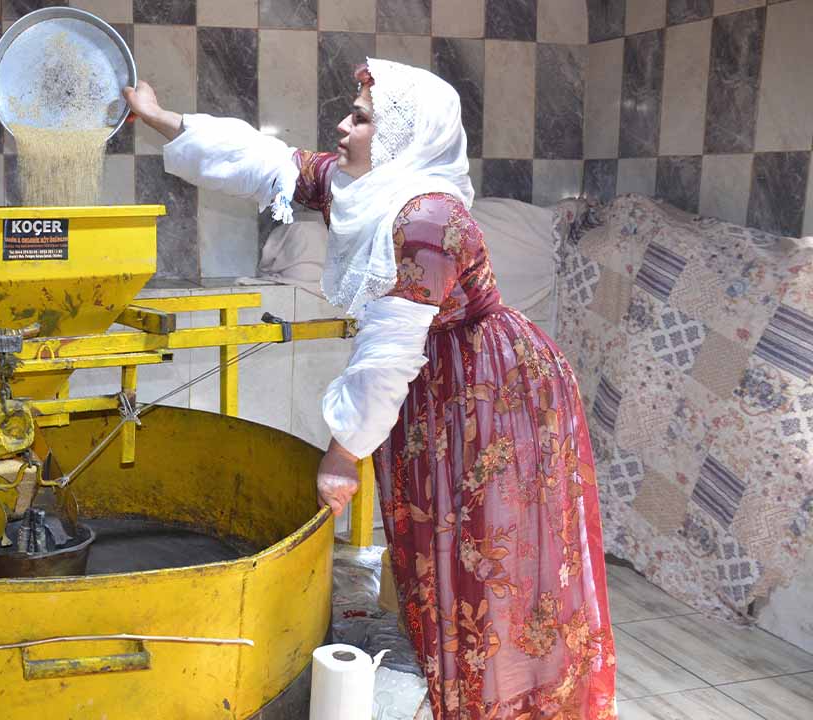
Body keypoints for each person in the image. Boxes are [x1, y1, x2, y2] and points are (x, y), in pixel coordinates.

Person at [123, 59, 617, 719]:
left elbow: (387, 356)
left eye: (361, 116)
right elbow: (271, 162)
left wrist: (340, 453)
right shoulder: (370, 187)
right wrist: (163, 119)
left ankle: (507, 702)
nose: (343, 124)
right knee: (438, 543)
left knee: (488, 554)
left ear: (402, 137)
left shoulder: (424, 218)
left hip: (494, 395)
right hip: (437, 385)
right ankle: (458, 686)